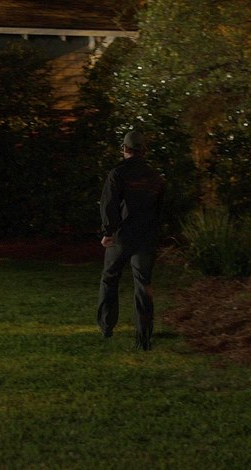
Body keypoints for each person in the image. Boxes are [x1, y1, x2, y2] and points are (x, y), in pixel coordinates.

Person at [97, 130, 165, 351]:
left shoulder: (118, 173)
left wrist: (108, 231)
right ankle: (143, 337)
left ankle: (107, 326)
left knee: (110, 278)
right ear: (144, 150)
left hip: (122, 236)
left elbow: (109, 203)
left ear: (124, 149)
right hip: (146, 237)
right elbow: (161, 210)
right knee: (143, 285)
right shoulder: (155, 177)